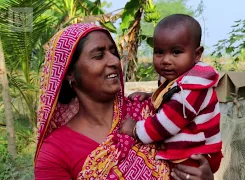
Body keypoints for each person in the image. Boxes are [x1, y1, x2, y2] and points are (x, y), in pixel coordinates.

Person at [34, 23, 216, 180]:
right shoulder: (54, 153)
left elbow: (195, 155)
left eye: (114, 53)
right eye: (99, 56)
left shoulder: (154, 114)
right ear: (69, 73)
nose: (114, 61)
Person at [120, 14, 223, 173]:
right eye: (159, 52)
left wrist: (135, 129)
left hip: (197, 155)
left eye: (176, 52)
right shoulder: (179, 76)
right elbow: (170, 95)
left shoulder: (193, 88)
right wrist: (152, 96)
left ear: (197, 54)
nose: (166, 60)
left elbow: (165, 123)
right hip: (190, 146)